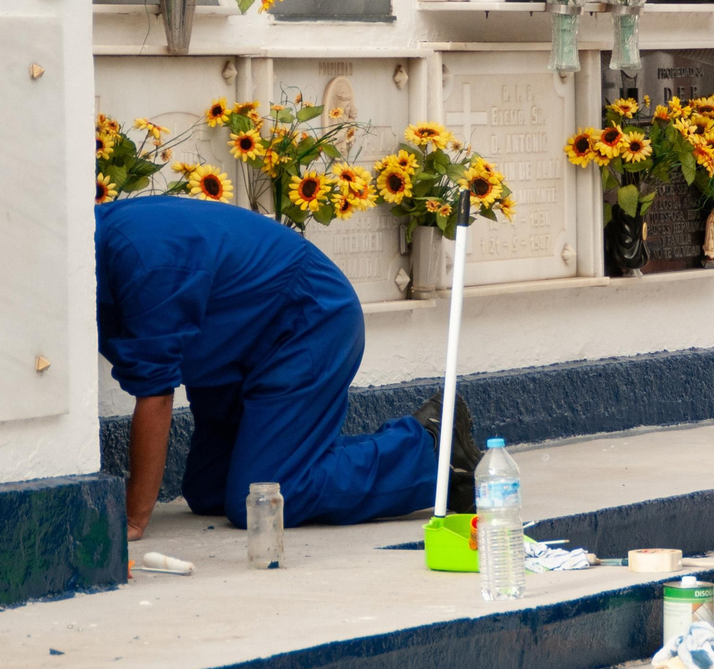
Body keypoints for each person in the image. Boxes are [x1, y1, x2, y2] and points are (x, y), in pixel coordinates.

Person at [96, 196, 481, 540]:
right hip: (233, 347)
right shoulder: (93, 244)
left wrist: (132, 518)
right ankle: (396, 445)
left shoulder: (145, 263)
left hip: (306, 320)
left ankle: (431, 450)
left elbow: (155, 394)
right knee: (209, 491)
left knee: (265, 499)